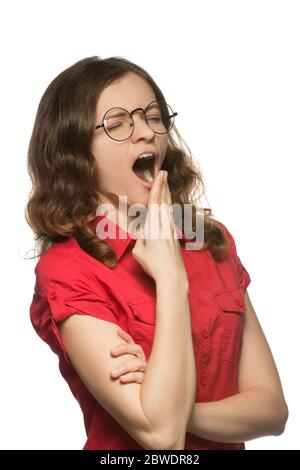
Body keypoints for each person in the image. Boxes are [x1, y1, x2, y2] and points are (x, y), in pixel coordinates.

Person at [26, 56, 288, 450]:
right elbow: (161, 436)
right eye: (117, 124)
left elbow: (272, 410)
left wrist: (176, 403)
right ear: (76, 154)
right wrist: (170, 277)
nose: (145, 132)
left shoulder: (211, 240)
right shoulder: (67, 269)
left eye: (153, 116)